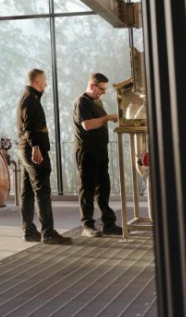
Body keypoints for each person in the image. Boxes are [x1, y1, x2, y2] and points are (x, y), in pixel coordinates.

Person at [17, 68, 72, 245]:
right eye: (45, 80)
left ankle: (29, 231)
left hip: (26, 148)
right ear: (37, 81)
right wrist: (36, 147)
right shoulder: (30, 100)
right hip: (33, 149)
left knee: (27, 191)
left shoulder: (29, 97)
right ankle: (48, 232)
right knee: (42, 190)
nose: (46, 83)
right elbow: (29, 127)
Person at [72, 72, 122, 237]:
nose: (104, 92)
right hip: (87, 153)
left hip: (100, 151)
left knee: (103, 187)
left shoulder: (97, 102)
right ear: (93, 86)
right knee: (87, 189)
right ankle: (87, 225)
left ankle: (108, 223)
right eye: (102, 88)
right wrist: (107, 118)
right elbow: (87, 125)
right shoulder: (81, 102)